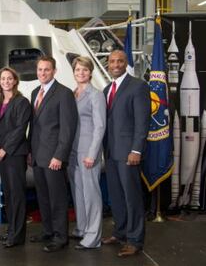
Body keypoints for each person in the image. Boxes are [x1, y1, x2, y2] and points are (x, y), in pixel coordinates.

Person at [102, 50, 151, 257]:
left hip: (129, 153)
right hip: (111, 153)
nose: (116, 64)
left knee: (132, 198)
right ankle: (120, 232)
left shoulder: (138, 86)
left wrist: (136, 149)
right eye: (112, 61)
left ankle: (135, 240)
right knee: (117, 196)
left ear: (125, 63)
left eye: (120, 61)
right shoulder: (107, 89)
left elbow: (142, 121)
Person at [29, 56, 78, 252]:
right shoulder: (35, 92)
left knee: (57, 198)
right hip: (38, 156)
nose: (43, 73)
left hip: (53, 157)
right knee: (43, 196)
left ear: (54, 71)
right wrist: (30, 151)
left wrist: (59, 156)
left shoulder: (64, 93)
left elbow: (68, 128)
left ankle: (60, 237)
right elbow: (34, 126)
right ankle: (48, 231)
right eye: (40, 69)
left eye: (46, 70)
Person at [67, 56, 106, 250]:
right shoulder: (74, 93)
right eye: (77, 70)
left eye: (84, 69)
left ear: (90, 72)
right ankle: (82, 228)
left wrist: (92, 153)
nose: (80, 73)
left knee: (91, 194)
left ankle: (93, 237)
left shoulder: (96, 94)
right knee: (78, 192)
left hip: (88, 151)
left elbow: (100, 127)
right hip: (73, 150)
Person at [0, 67, 31, 248]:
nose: (6, 81)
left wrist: (5, 150)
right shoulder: (1, 102)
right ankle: (11, 230)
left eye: (10, 78)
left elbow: (19, 129)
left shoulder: (22, 102)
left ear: (15, 81)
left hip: (15, 154)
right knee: (8, 194)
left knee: (17, 195)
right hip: (2, 154)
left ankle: (17, 235)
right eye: (3, 78)